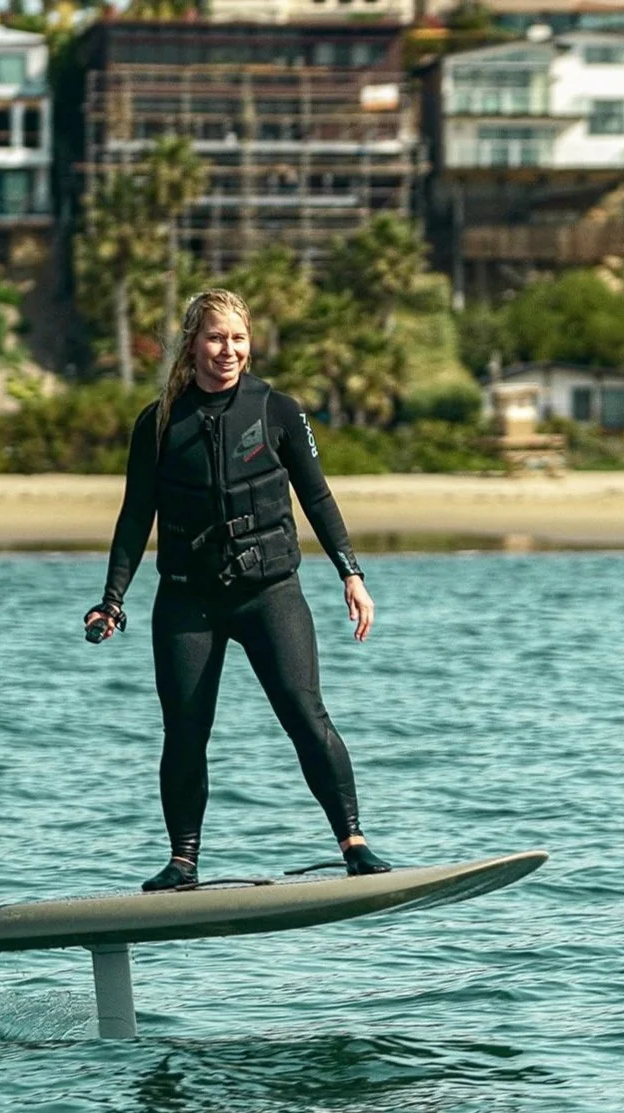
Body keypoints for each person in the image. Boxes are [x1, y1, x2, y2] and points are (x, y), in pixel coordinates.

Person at [85, 289, 391, 891]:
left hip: (268, 591)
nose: (228, 350)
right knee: (185, 730)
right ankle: (183, 861)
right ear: (192, 344)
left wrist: (351, 574)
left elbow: (317, 496)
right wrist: (112, 599)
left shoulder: (277, 410)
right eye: (216, 338)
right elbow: (135, 516)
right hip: (187, 599)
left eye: (239, 339)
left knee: (305, 714)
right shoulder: (158, 423)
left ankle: (353, 843)